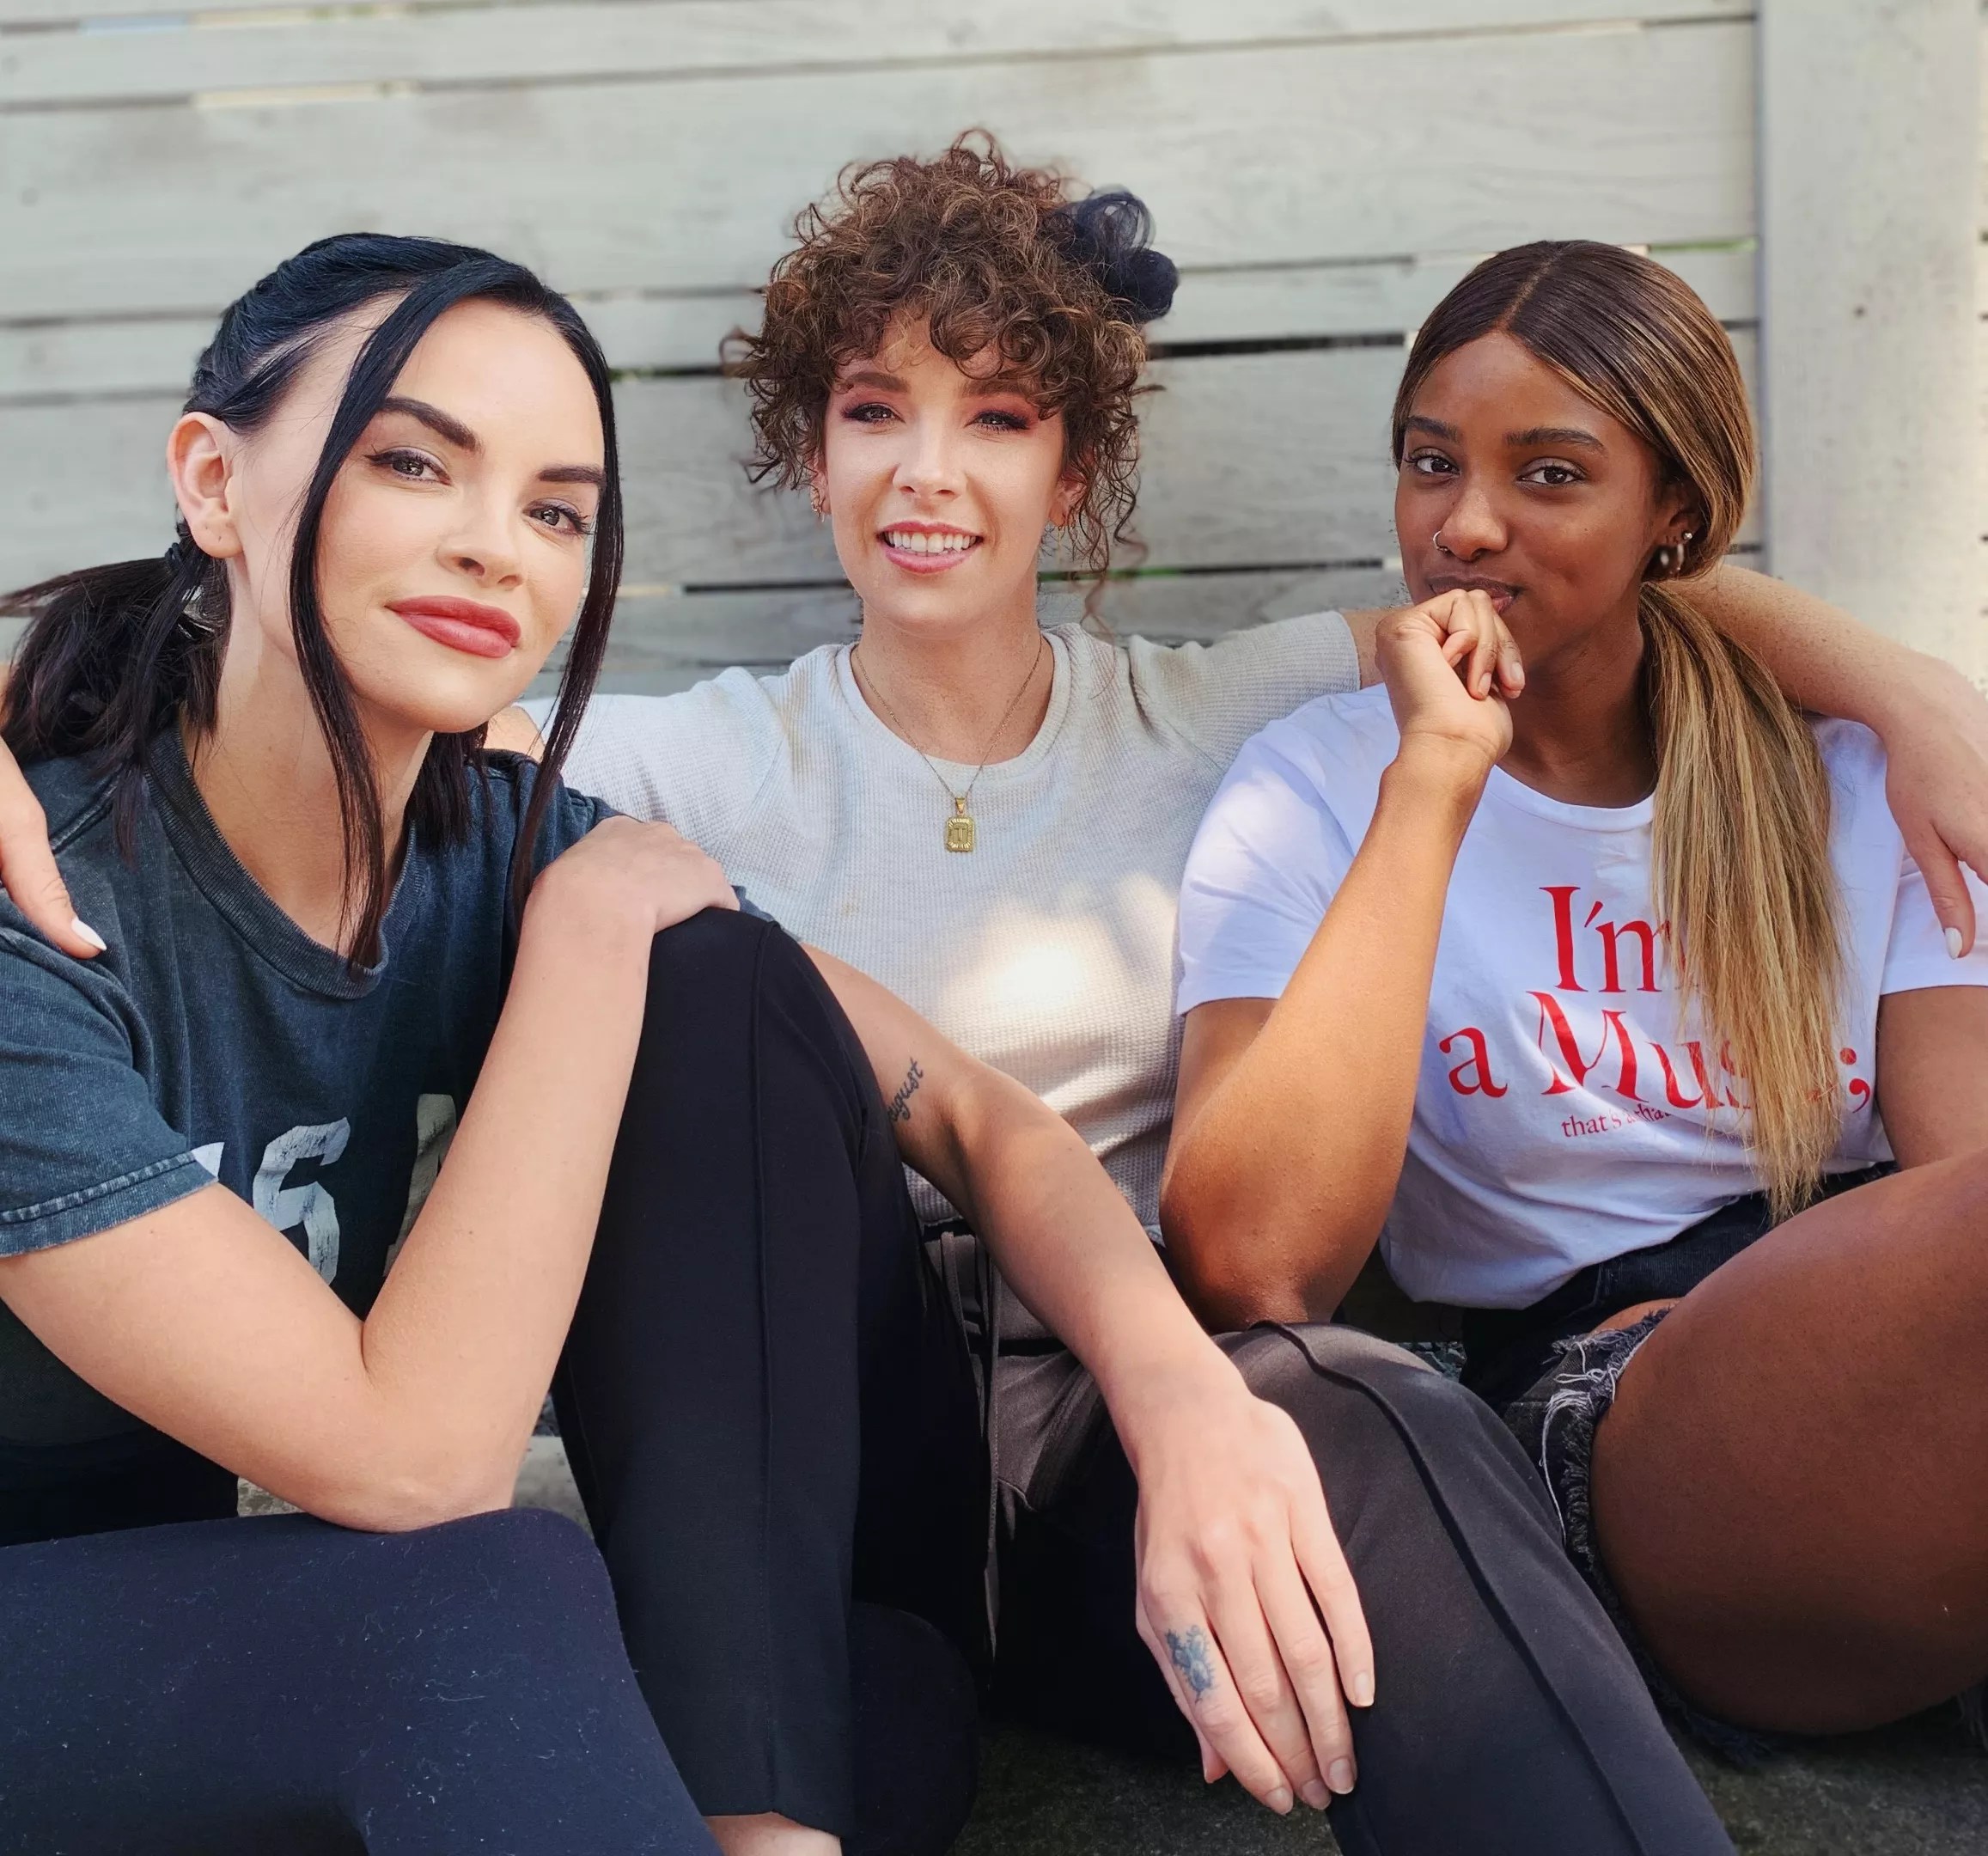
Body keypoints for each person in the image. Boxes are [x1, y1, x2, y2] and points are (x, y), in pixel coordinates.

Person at [0, 232, 1373, 1856]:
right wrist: (588, 944)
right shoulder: (45, 909)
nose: (491, 545)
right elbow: (418, 1468)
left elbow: (975, 1116)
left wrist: (1184, 1402)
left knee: (881, 1702)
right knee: (476, 1607)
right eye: (412, 462)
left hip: (190, 1633)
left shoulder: (501, 848)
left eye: (555, 510)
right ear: (213, 482)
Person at [1165, 239, 1988, 1761]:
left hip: (1891, 1402)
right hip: (1608, 1417)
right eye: (1430, 463)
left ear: (1673, 511)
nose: (1463, 526)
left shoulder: (1853, 779)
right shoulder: (1317, 785)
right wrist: (1434, 783)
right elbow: (1249, 1266)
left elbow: (1958, 1191)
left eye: (1549, 475)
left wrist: (1913, 696)